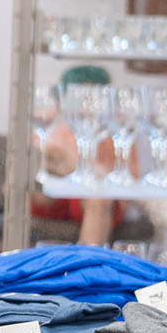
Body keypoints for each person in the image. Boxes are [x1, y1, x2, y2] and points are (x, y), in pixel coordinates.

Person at [34, 64, 122, 246]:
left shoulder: (115, 135)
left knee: (98, 196)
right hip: (52, 194)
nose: (85, 108)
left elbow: (125, 182)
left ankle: (87, 259)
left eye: (93, 98)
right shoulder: (49, 127)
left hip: (96, 198)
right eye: (79, 98)